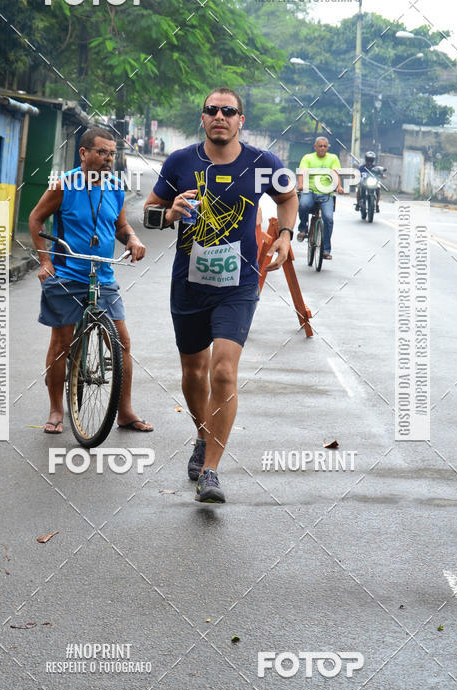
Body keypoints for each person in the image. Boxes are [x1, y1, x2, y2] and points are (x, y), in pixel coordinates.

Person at [143, 87, 298, 504]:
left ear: (240, 120)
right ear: (203, 118)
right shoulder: (180, 162)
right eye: (212, 110)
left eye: (228, 111)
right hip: (189, 285)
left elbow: (288, 197)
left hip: (239, 286)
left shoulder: (263, 163)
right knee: (194, 373)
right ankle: (202, 435)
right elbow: (149, 212)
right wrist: (170, 213)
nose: (220, 116)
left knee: (224, 373)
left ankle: (210, 471)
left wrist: (284, 235)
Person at [29, 127, 153, 434]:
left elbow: (122, 226)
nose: (108, 159)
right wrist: (45, 261)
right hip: (69, 274)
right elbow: (35, 218)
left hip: (104, 275)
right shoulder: (64, 185)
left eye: (112, 153)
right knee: (60, 343)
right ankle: (57, 409)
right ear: (83, 153)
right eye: (101, 152)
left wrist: (133, 239)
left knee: (122, 341)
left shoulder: (115, 186)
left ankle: (124, 411)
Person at [295, 136, 344, 260]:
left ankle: (326, 250)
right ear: (315, 147)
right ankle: (303, 228)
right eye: (320, 146)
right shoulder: (308, 157)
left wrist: (339, 186)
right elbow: (301, 172)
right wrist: (300, 184)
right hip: (309, 190)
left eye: (325, 146)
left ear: (328, 147)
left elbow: (336, 173)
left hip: (326, 193)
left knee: (328, 219)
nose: (322, 148)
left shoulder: (333, 158)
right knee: (303, 205)